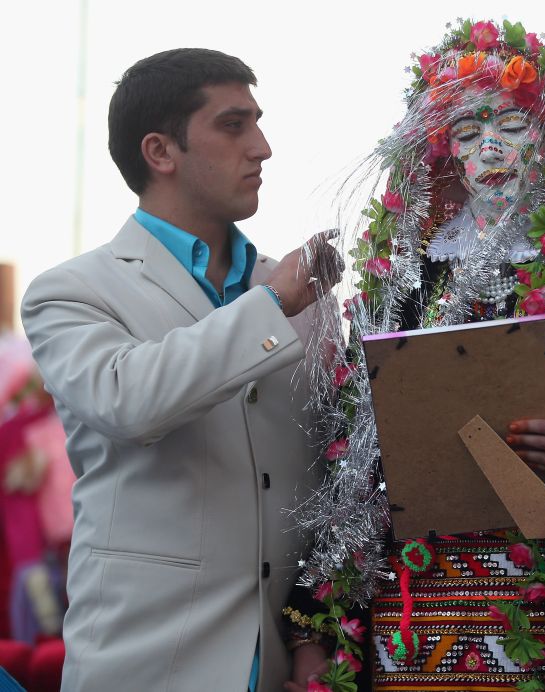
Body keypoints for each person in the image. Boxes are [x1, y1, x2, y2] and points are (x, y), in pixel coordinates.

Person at [284, 19, 545, 692]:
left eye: (511, 125)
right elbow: (346, 464)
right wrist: (317, 629)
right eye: (471, 134)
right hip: (411, 609)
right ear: (448, 155)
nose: (492, 149)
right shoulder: (405, 282)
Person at [20, 48, 341, 690]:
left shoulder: (298, 297)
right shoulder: (69, 291)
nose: (263, 147)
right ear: (160, 152)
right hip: (144, 663)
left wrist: (316, 635)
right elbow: (130, 401)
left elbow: (329, 481)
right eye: (233, 125)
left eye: (258, 121)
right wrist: (272, 305)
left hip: (282, 665)